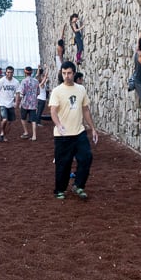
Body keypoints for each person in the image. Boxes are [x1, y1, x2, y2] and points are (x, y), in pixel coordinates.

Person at [49, 61, 98, 200]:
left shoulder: (81, 89)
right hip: (62, 135)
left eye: (69, 73)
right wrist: (58, 125)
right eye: (64, 73)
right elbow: (53, 111)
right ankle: (60, 190)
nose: (66, 76)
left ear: (74, 73)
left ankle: (78, 185)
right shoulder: (57, 91)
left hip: (79, 132)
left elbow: (85, 109)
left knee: (86, 157)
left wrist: (93, 128)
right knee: (63, 164)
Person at [0, 66, 21, 142]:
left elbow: (18, 93)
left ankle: (4, 135)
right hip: (2, 103)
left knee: (9, 123)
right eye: (8, 72)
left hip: (11, 103)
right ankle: (2, 132)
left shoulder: (16, 82)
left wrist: (16, 102)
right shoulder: (1, 81)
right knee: (5, 119)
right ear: (5, 72)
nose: (9, 74)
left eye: (11, 72)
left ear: (13, 73)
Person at [18, 66, 39, 140]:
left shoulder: (23, 81)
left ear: (25, 72)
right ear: (31, 72)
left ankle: (26, 132)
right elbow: (38, 92)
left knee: (23, 118)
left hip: (25, 103)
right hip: (33, 103)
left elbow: (22, 93)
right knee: (33, 120)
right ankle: (34, 136)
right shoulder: (36, 81)